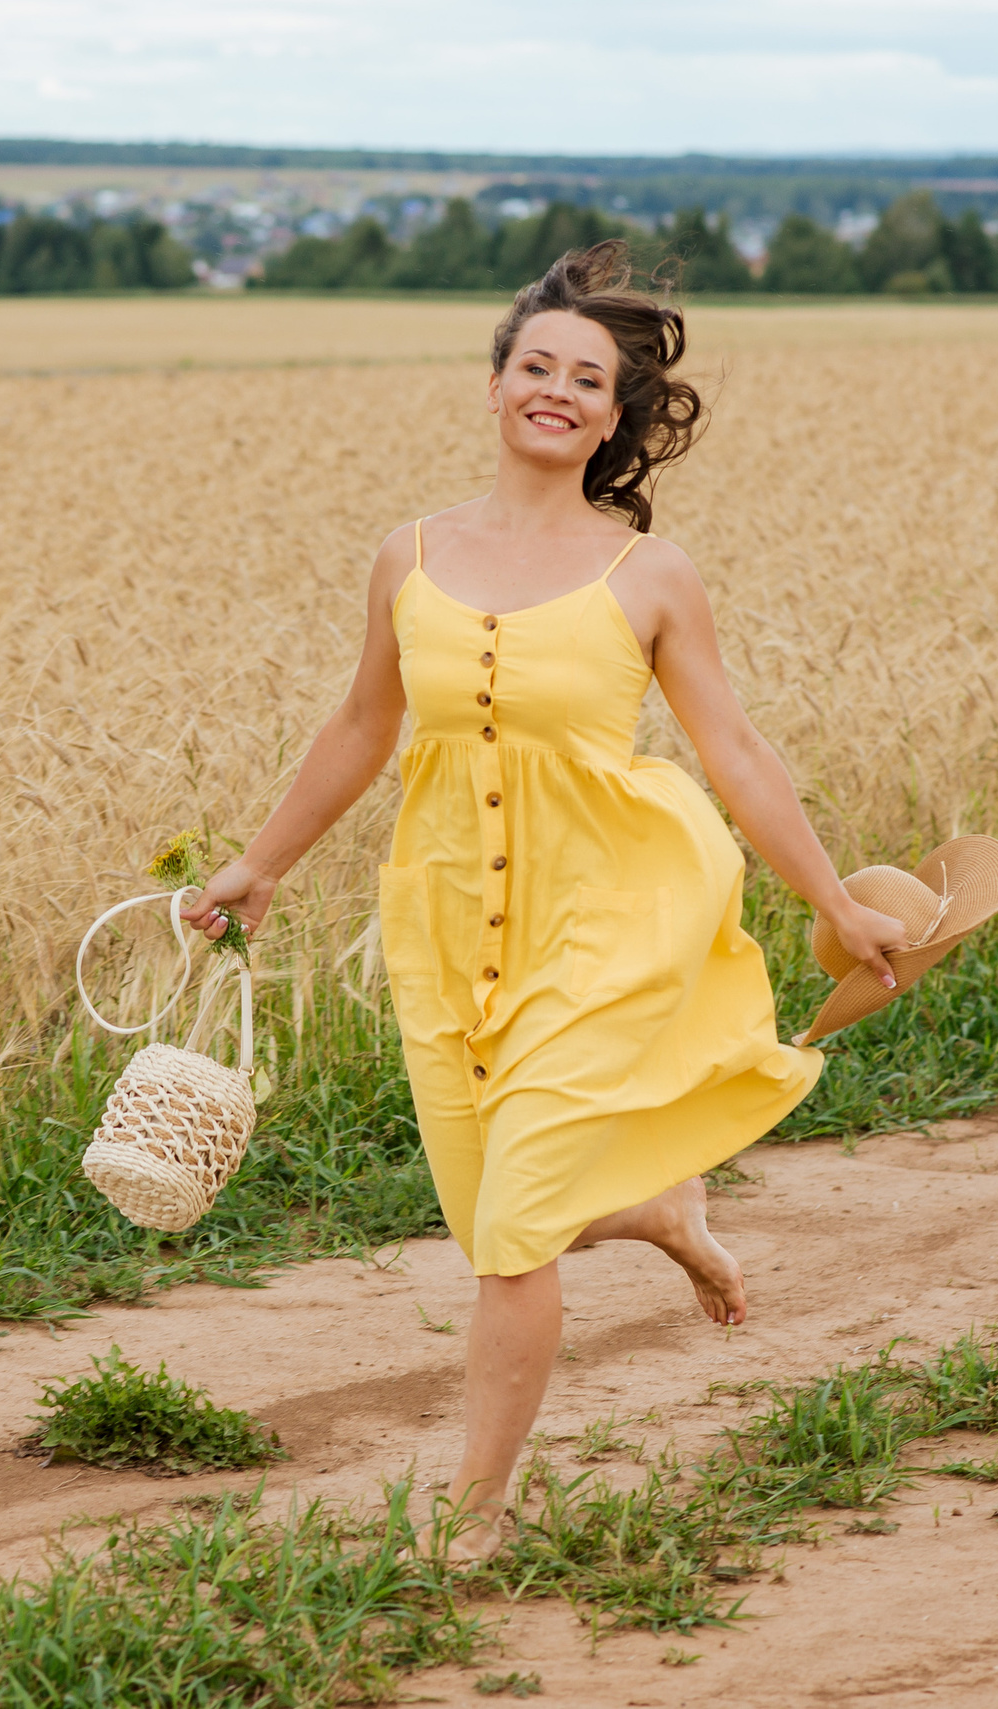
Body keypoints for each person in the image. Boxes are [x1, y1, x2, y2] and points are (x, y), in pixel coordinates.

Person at [183, 240, 912, 1558]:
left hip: (610, 919)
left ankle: (476, 1518)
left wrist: (835, 903)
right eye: (539, 366)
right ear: (495, 383)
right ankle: (654, 1208)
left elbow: (737, 752)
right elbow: (362, 724)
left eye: (591, 379)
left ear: (617, 414)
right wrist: (260, 861)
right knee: (491, 1206)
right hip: (449, 915)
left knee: (509, 1232)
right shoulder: (405, 555)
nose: (559, 391)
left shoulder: (648, 573)